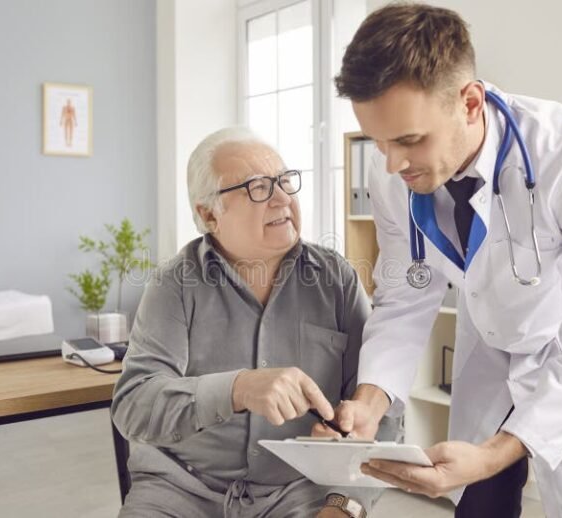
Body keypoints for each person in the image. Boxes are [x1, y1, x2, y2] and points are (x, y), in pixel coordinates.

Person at [315, 4, 562, 518]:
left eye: (409, 140)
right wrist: (370, 401)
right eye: (378, 142)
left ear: (470, 102)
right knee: (478, 507)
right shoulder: (392, 175)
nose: (392, 163)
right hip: (490, 347)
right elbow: (406, 292)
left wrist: (497, 452)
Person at [112, 127, 396, 518]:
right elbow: (134, 405)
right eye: (257, 187)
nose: (282, 198)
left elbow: (381, 412)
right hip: (182, 488)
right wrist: (238, 389)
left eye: (285, 181)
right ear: (209, 215)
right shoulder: (173, 284)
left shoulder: (337, 279)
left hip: (300, 489)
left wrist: (345, 502)